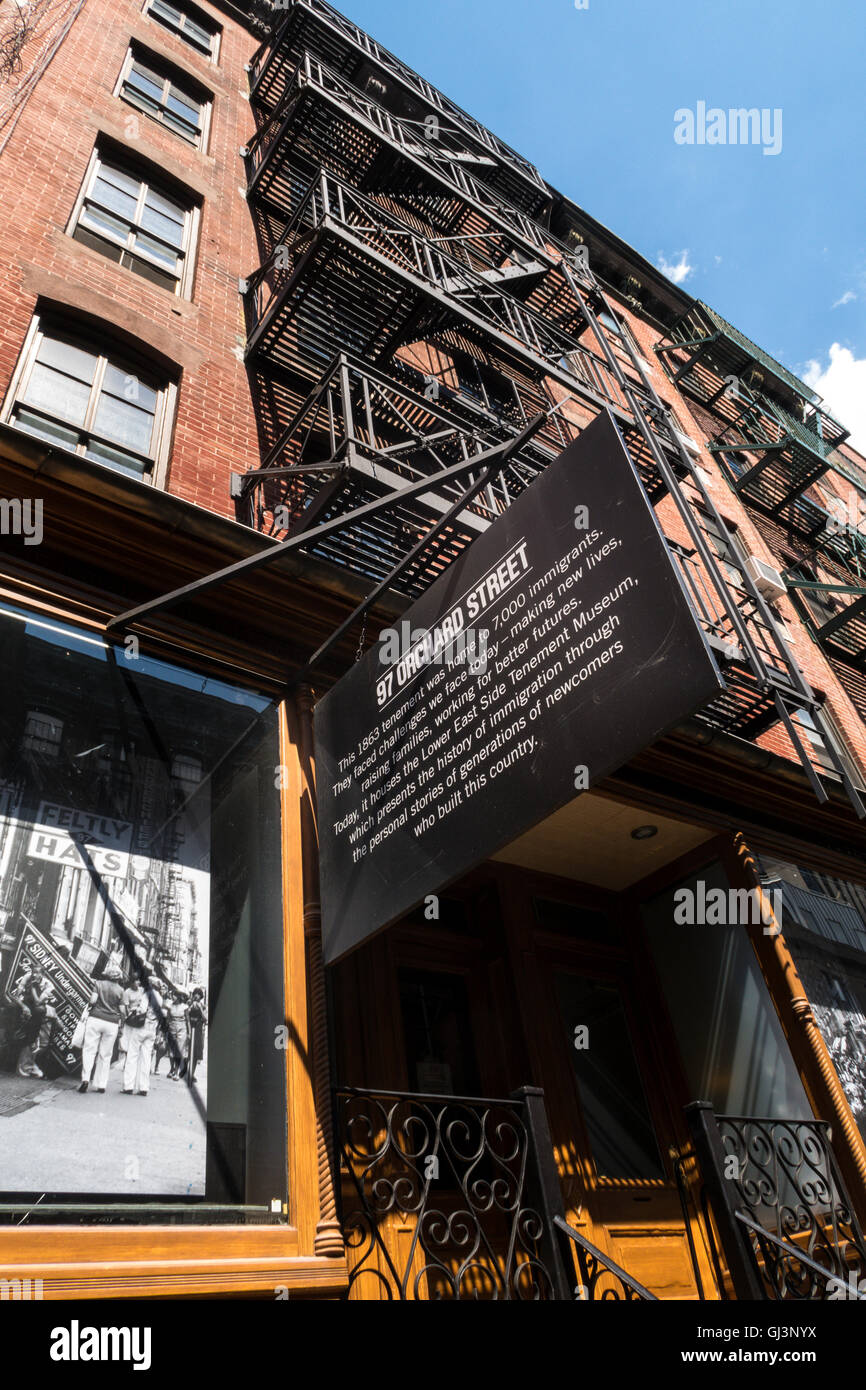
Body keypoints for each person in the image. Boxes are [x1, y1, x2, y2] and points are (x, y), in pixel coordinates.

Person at [80, 961, 124, 1093]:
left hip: (95, 1019)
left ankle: (86, 1079)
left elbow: (92, 1000)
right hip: (112, 1023)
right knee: (105, 1054)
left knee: (89, 1050)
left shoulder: (99, 984)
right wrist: (121, 1026)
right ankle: (101, 1084)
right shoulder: (121, 991)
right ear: (118, 977)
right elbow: (123, 1011)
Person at [121, 969, 163, 1096]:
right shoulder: (160, 998)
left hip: (141, 1028)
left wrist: (135, 1009)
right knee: (146, 1059)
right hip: (152, 1030)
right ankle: (144, 1087)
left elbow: (142, 1010)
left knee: (132, 1056)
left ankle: (128, 1086)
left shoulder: (147, 995)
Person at [13, 967, 53, 1079]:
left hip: (36, 1012)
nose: (35, 975)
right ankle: (24, 1067)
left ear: (43, 975)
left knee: (32, 1039)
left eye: (38, 973)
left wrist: (34, 987)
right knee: (21, 1035)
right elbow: (16, 996)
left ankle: (26, 1068)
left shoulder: (48, 985)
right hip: (25, 1008)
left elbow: (38, 1001)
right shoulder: (27, 977)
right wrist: (24, 1007)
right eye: (33, 973)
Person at [184, 987, 206, 1085]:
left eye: (198, 994)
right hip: (188, 1028)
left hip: (197, 1030)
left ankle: (191, 1074)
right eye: (195, 993)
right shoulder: (189, 1003)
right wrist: (190, 1007)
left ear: (201, 996)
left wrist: (200, 1009)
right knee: (186, 1052)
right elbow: (185, 1015)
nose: (196, 995)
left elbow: (205, 1019)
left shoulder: (203, 1006)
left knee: (196, 1053)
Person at [166, 992, 189, 1080]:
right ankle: (172, 1068)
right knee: (171, 1051)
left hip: (182, 1029)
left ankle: (176, 1072)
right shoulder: (170, 1006)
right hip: (172, 1028)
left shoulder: (184, 1006)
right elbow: (168, 1019)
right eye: (172, 995)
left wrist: (189, 1032)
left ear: (179, 996)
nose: (173, 997)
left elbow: (187, 1020)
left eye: (175, 995)